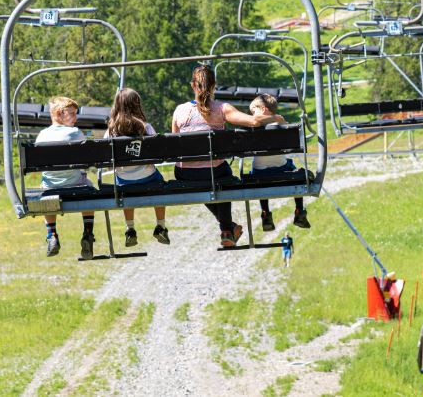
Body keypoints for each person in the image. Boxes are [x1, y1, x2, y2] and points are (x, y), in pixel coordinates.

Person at [170, 64, 276, 247]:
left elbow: (174, 145)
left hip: (185, 174)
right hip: (214, 173)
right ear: (213, 86)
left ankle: (228, 228)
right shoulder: (222, 109)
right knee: (222, 178)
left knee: (206, 179)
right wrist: (275, 117)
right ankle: (226, 229)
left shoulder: (179, 111)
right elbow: (254, 122)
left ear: (192, 85)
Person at [105, 87, 170, 247]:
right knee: (160, 183)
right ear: (137, 105)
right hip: (149, 179)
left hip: (124, 181)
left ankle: (130, 229)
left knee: (125, 189)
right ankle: (161, 226)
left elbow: (107, 161)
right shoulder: (145, 128)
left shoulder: (111, 132)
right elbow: (158, 155)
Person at [36, 96, 96, 259]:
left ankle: (52, 234)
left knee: (45, 191)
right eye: (72, 114)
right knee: (89, 187)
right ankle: (88, 232)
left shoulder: (41, 135)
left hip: (51, 188)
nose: (76, 118)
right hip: (76, 185)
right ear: (59, 113)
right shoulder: (75, 133)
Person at [245, 93, 311, 232]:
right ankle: (299, 210)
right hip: (282, 170)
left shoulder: (252, 127)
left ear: (263, 109)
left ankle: (265, 213)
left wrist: (256, 117)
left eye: (253, 111)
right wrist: (276, 117)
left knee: (258, 176)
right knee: (294, 169)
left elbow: (256, 119)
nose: (252, 115)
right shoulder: (281, 123)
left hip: (259, 174)